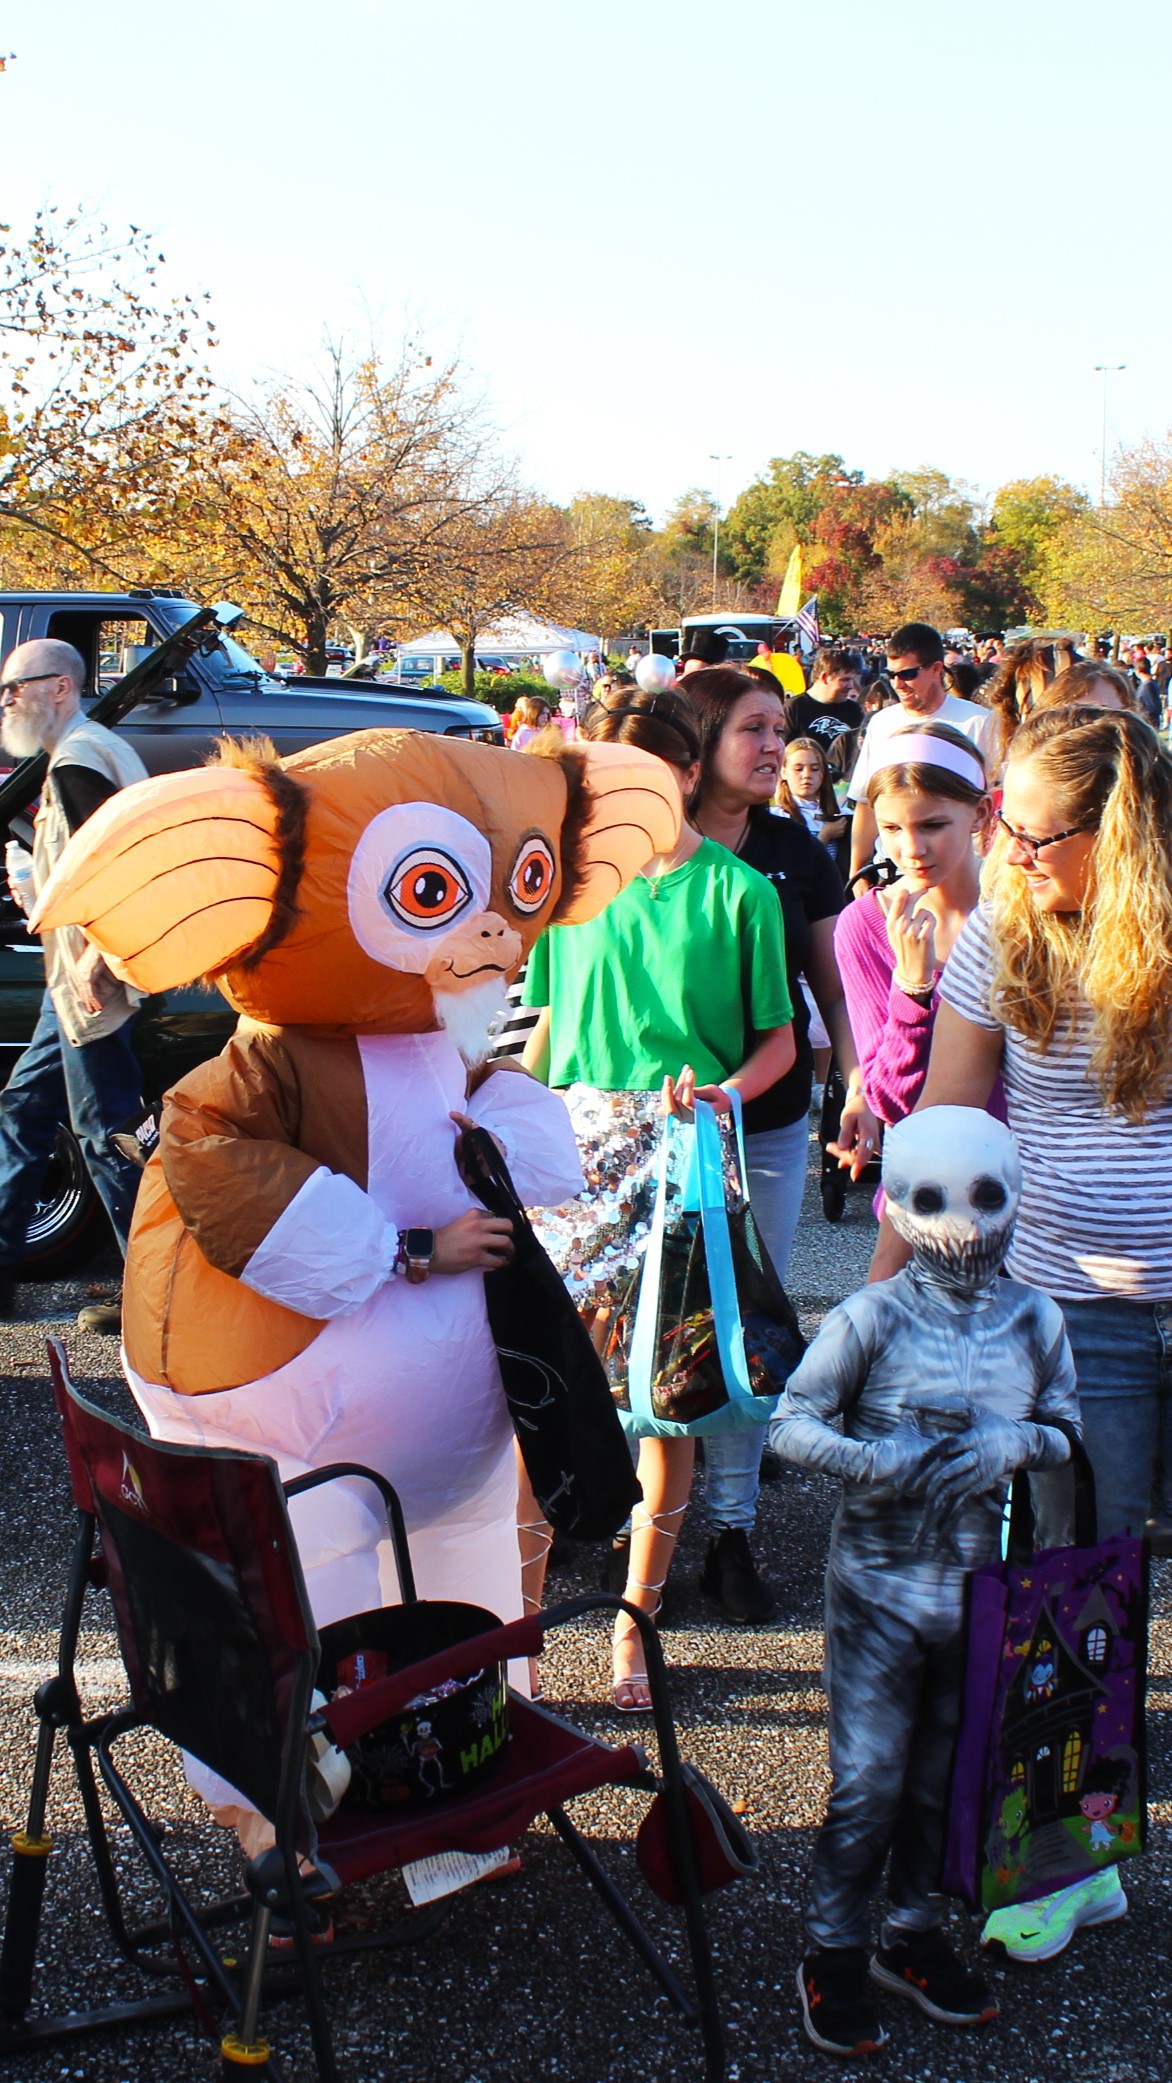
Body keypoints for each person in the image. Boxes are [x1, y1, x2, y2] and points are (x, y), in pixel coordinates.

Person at [869, 703, 1172, 1957]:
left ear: (1122, 831)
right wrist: (880, 1311)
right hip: (1073, 1314)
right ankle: (1061, 1862)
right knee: (1073, 1586)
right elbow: (940, 1131)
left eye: (1039, 836)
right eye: (1005, 824)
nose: (1011, 852)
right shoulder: (1002, 926)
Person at [774, 1107, 1078, 2057]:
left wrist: (1013, 1440)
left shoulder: (1035, 1317)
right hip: (876, 1589)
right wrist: (878, 1460)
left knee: (944, 1775)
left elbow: (1065, 1432)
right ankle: (831, 1944)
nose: (966, 1227)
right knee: (868, 1781)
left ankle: (909, 1931)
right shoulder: (871, 1317)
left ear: (1017, 1197)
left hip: (974, 1591)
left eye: (986, 1198)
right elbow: (789, 1423)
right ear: (897, 1205)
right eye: (935, 1201)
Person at [520, 687, 797, 1697]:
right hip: (571, 1155)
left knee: (666, 1395)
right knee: (542, 1386)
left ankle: (634, 1618)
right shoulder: (571, 892)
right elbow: (546, 1028)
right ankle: (518, 1629)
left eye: (631, 776)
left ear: (683, 774)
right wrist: (493, 1106)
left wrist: (727, 1093)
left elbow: (780, 1041)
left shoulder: (741, 892)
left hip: (683, 1156)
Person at [678, 668, 879, 1619]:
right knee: (648, 1324)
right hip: (646, 1132)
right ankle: (645, 1528)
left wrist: (856, 1080)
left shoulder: (795, 850)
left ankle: (731, 1529)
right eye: (752, 729)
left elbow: (835, 985)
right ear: (701, 739)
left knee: (746, 1325)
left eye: (778, 728)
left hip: (763, 1123)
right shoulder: (637, 848)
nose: (774, 747)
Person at [0, 639, 148, 1332]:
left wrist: (100, 957)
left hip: (91, 984)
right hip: (73, 981)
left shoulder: (81, 760)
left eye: (16, 687)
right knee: (24, 1109)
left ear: (60, 686)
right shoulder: (86, 753)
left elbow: (123, 868)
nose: (7, 701)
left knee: (107, 1133)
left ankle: (155, 1291)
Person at [834, 722, 998, 1134]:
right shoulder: (864, 925)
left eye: (932, 825)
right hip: (929, 1164)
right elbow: (888, 1098)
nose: (912, 850)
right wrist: (911, 988)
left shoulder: (1023, 912)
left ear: (980, 813)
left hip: (1038, 1163)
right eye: (891, 828)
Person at [847, 624, 997, 888]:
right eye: (891, 675)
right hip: (895, 870)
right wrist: (857, 870)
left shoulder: (979, 721)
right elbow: (866, 801)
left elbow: (996, 799)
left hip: (962, 872)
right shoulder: (882, 723)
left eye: (908, 674)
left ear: (936, 669)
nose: (898, 684)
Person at [775, 736, 851, 884]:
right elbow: (791, 864)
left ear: (823, 774)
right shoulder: (777, 817)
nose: (807, 775)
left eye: (815, 769)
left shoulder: (841, 815)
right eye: (798, 769)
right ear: (783, 772)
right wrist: (825, 836)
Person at [779, 645, 864, 764]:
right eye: (845, 680)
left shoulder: (854, 710)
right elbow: (780, 753)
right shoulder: (794, 708)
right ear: (824, 677)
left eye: (852, 680)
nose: (851, 686)